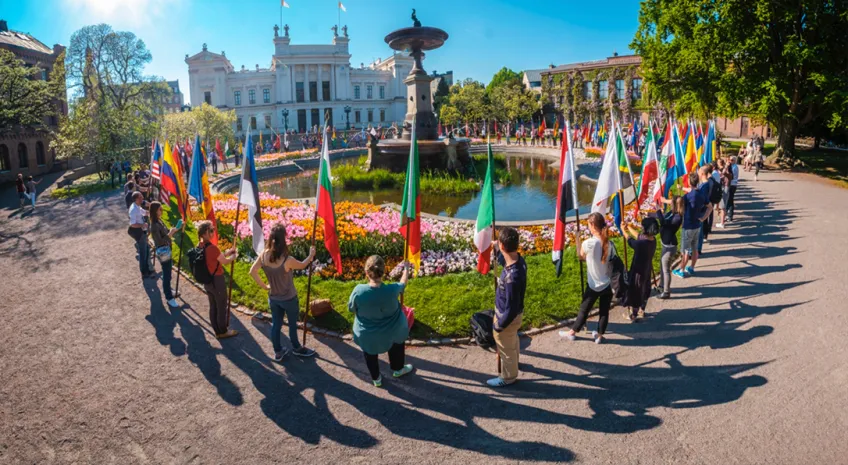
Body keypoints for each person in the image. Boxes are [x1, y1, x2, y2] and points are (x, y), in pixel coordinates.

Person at [249, 224, 317, 361]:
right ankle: (297, 348)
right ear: (283, 240)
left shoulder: (264, 256)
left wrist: (264, 286)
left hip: (273, 298)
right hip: (289, 298)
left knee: (276, 325)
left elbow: (252, 272)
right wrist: (311, 255)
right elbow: (303, 265)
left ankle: (278, 352)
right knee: (292, 325)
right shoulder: (287, 260)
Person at [347, 255, 412, 387]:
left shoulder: (359, 291)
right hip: (392, 330)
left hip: (367, 333)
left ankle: (376, 379)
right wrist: (406, 269)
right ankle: (398, 369)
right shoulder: (392, 289)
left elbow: (351, 309)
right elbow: (403, 283)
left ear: (366, 273)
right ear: (384, 271)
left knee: (369, 353)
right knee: (397, 346)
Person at [560, 212, 614, 344]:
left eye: (589, 225)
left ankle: (573, 332)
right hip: (607, 284)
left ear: (593, 226)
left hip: (594, 284)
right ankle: (599, 336)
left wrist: (577, 239)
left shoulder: (589, 243)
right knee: (604, 312)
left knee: (584, 309)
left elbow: (580, 256)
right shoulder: (609, 243)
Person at [486, 227, 528, 388]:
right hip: (515, 317)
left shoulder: (511, 278)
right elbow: (505, 259)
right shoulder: (519, 261)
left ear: (503, 246)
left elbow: (511, 308)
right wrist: (497, 248)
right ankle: (515, 363)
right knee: (512, 341)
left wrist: (498, 326)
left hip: (507, 318)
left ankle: (508, 377)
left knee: (505, 347)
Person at [197, 221, 239, 339]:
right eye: (211, 230)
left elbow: (217, 257)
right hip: (217, 281)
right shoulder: (212, 248)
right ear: (205, 233)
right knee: (221, 306)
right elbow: (224, 262)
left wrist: (228, 252)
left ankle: (217, 330)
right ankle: (223, 331)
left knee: (213, 305)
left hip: (207, 281)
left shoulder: (200, 245)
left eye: (213, 230)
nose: (213, 232)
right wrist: (233, 257)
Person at [674, 172, 712, 278]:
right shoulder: (701, 194)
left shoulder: (688, 197)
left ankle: (681, 270)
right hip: (697, 225)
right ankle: (691, 268)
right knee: (695, 249)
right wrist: (703, 218)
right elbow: (710, 207)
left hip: (688, 226)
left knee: (686, 250)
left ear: (690, 182)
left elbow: (680, 208)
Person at [623, 217, 659, 321]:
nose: (641, 227)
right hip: (646, 269)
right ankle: (642, 310)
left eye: (642, 226)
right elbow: (638, 236)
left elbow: (630, 240)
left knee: (636, 292)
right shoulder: (652, 240)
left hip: (638, 272)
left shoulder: (641, 244)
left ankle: (633, 315)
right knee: (645, 289)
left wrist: (623, 230)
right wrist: (628, 226)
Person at [148, 201, 181, 308]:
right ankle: (169, 297)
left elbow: (166, 233)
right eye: (160, 209)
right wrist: (170, 234)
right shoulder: (154, 225)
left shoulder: (159, 221)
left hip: (167, 250)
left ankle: (169, 290)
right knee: (166, 275)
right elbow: (160, 241)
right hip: (163, 251)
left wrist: (175, 229)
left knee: (168, 273)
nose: (162, 211)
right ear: (155, 211)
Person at [655, 196, 684, 299]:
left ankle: (666, 292)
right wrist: (650, 214)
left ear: (675, 205)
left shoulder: (677, 217)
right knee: (662, 266)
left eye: (671, 202)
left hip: (670, 246)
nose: (669, 204)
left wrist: (658, 211)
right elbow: (662, 218)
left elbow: (664, 223)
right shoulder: (671, 213)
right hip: (665, 244)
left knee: (666, 269)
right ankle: (662, 285)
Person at [128, 192, 154, 280]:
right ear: (136, 199)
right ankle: (144, 273)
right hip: (139, 233)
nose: (142, 198)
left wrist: (151, 212)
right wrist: (142, 225)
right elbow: (132, 224)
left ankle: (147, 269)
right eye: (140, 197)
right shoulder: (133, 210)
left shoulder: (137, 206)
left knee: (146, 251)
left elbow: (144, 213)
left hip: (143, 232)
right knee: (143, 253)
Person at [726, 155, 740, 223]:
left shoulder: (734, 167)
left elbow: (731, 176)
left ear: (734, 161)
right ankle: (728, 214)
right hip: (731, 184)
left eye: (731, 160)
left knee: (730, 200)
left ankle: (730, 216)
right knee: (728, 200)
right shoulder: (732, 166)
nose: (730, 161)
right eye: (729, 160)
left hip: (732, 184)